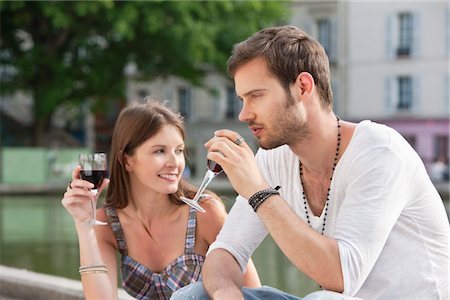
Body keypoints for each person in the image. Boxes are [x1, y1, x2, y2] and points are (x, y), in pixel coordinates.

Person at [171, 25, 449, 299]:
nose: (244, 114)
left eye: (256, 96)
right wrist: (226, 293)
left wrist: (257, 191)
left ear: (303, 87)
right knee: (192, 296)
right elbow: (227, 250)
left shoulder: (379, 151)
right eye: (242, 99)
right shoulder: (273, 158)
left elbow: (340, 278)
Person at [61, 100, 261, 300]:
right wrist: (84, 225)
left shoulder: (204, 213)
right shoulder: (109, 224)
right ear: (127, 160)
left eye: (179, 151)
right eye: (160, 151)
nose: (175, 163)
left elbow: (254, 293)